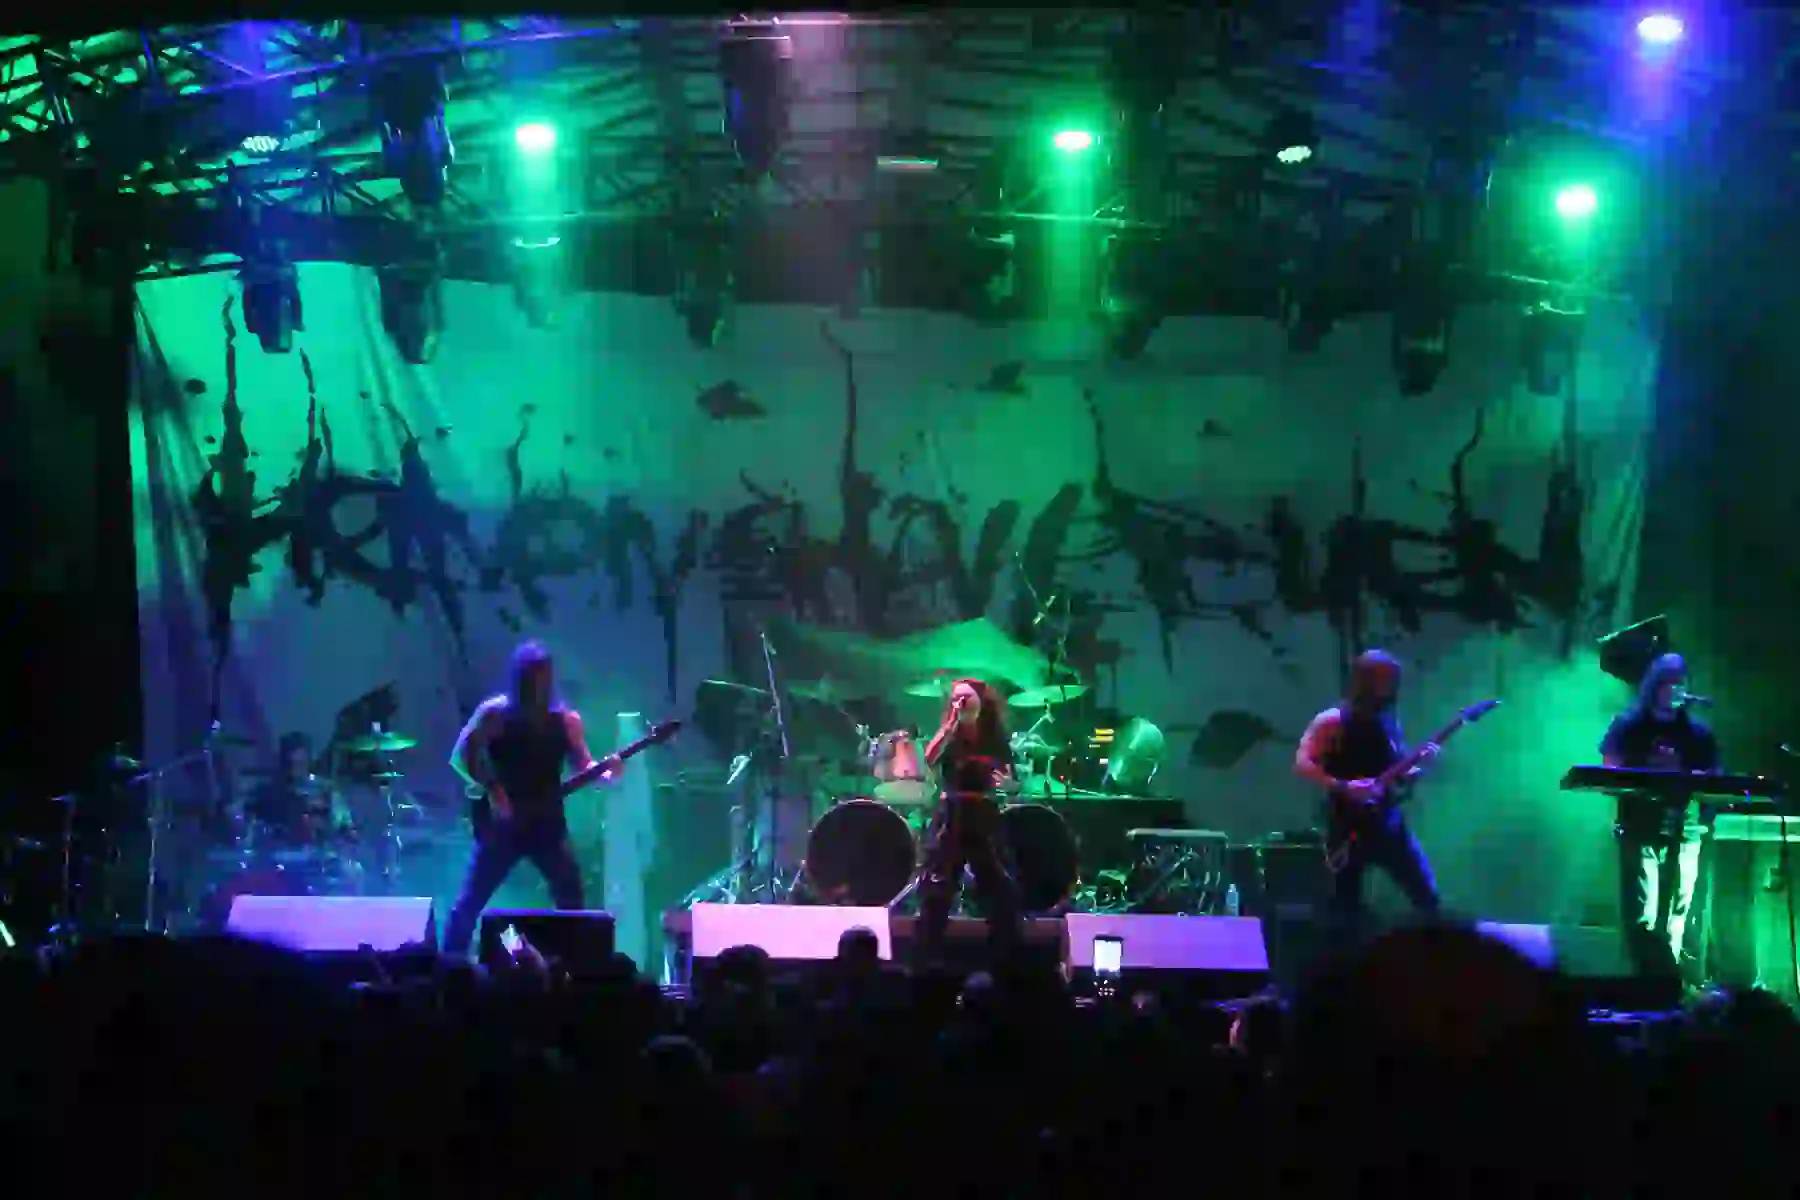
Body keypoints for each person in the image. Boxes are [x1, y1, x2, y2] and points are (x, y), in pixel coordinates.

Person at [442, 641, 622, 957]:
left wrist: (608, 773)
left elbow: (585, 765)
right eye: (532, 676)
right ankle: (448, 965)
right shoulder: (496, 713)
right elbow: (462, 755)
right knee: (471, 900)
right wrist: (492, 789)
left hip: (547, 825)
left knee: (571, 900)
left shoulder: (566, 721)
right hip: (504, 826)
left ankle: (574, 967)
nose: (538, 683)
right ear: (519, 678)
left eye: (543, 675)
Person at [1293, 650, 1442, 939]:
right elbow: (1302, 763)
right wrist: (1344, 786)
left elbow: (1397, 773)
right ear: (1366, 680)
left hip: (1389, 826)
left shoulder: (1389, 722)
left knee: (1428, 900)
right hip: (1348, 828)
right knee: (1345, 912)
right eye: (1388, 679)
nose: (1394, 686)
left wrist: (1421, 767)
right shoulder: (1332, 720)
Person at [1601, 652, 1719, 979]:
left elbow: (1713, 779)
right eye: (1669, 681)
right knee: (1644, 910)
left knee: (1679, 908)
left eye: (1681, 681)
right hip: (1640, 826)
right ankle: (1643, 977)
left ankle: (1670, 980)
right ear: (1654, 685)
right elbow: (1609, 767)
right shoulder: (1629, 726)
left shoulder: (1697, 733)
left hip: (1686, 828)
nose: (1676, 687)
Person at [916, 678, 1024, 967]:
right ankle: (929, 958)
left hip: (983, 814)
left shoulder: (994, 738)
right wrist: (949, 727)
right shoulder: (950, 735)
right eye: (956, 698)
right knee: (939, 887)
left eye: (966, 697)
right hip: (951, 814)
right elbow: (929, 759)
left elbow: (1013, 782)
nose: (960, 702)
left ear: (980, 702)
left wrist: (1009, 785)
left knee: (997, 886)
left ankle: (1004, 957)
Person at [247, 733, 349, 849]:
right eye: (292, 764)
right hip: (278, 853)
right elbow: (249, 824)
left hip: (318, 854)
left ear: (309, 761)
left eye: (301, 764)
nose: (296, 769)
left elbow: (345, 827)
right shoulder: (265, 793)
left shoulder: (326, 791)